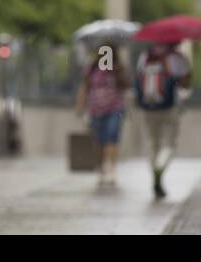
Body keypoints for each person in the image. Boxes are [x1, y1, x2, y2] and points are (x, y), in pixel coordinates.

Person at [135, 42, 191, 200]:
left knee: (153, 143)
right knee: (169, 144)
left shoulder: (145, 56)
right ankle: (160, 169)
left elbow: (138, 79)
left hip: (148, 107)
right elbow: (186, 85)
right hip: (169, 107)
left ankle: (155, 177)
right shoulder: (177, 58)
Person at [74, 43, 130, 187]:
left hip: (115, 108)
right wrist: (80, 105)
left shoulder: (117, 69)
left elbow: (127, 85)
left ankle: (112, 169)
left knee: (112, 137)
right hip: (96, 110)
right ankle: (101, 168)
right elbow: (85, 87)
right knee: (99, 140)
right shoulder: (92, 69)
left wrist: (118, 70)